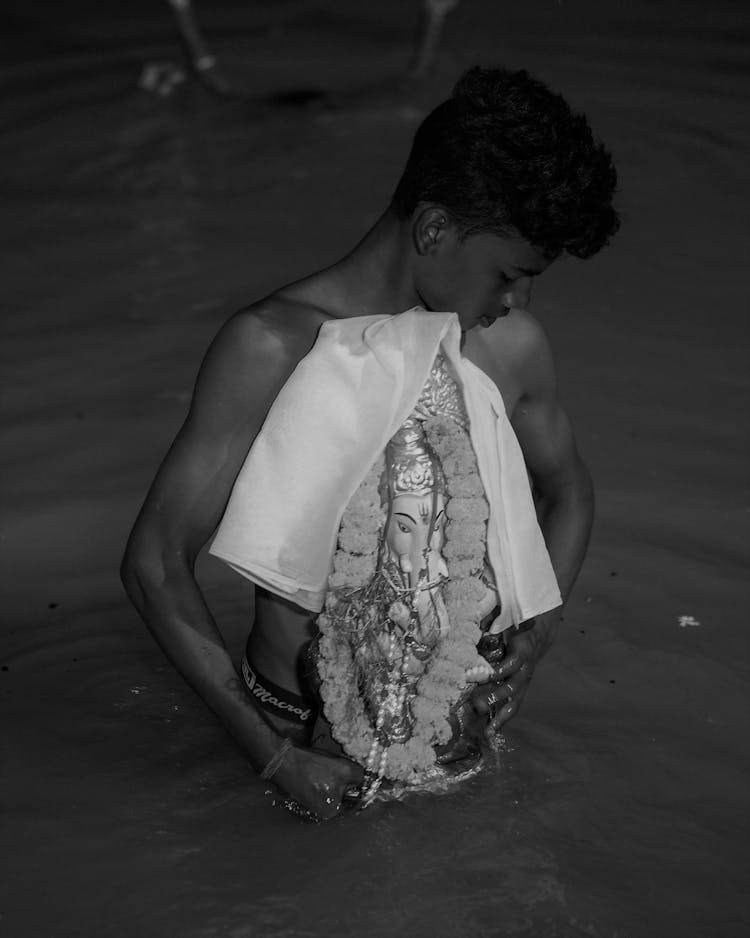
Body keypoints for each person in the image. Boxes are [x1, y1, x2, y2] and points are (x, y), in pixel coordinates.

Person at [121, 66, 619, 819]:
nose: (517, 302)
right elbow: (155, 563)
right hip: (292, 728)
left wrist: (538, 631)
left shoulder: (510, 347)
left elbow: (570, 490)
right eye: (508, 276)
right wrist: (276, 757)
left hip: (453, 725)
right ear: (434, 230)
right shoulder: (272, 348)